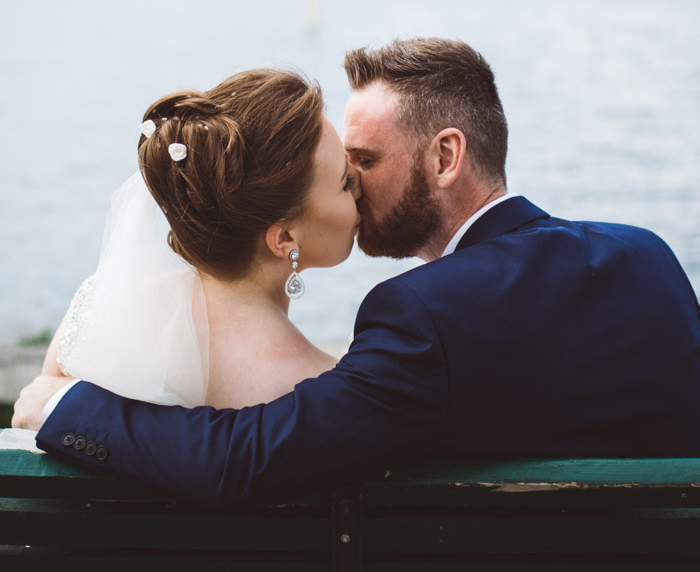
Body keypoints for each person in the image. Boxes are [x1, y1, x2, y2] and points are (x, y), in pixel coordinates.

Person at [15, 37, 700, 510]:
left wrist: (61, 405)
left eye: (363, 162)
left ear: (444, 157)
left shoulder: (426, 318)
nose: (353, 186)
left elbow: (241, 460)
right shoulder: (650, 257)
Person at [5, 67, 359, 449]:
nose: (359, 183)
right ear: (284, 237)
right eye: (344, 182)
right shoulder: (322, 387)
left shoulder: (97, 310)